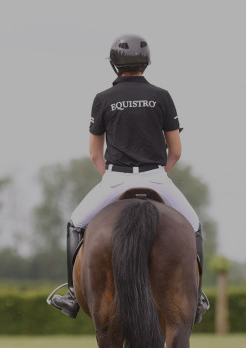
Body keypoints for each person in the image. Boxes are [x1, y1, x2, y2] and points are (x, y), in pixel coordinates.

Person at [48, 34, 209, 324]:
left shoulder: (103, 99)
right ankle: (196, 297)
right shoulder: (162, 96)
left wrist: (112, 178)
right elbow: (176, 150)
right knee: (195, 226)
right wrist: (157, 175)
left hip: (115, 180)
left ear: (114, 64)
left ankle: (72, 294)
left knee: (75, 224)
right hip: (157, 177)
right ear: (146, 63)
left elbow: (96, 154)